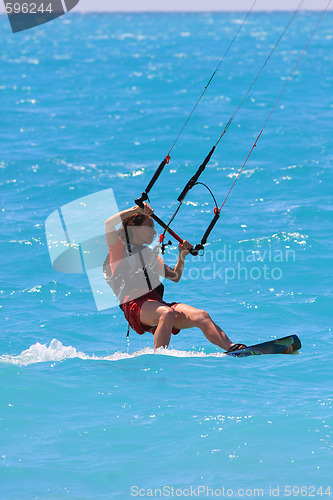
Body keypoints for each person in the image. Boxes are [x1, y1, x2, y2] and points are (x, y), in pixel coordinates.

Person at [104, 202, 246, 352]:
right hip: (134, 305)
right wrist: (136, 210)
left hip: (156, 304)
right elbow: (108, 224)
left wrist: (182, 256)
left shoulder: (150, 256)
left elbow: (175, 276)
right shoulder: (119, 249)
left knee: (201, 316)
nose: (154, 232)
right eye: (150, 226)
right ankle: (159, 357)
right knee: (166, 313)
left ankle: (232, 348)